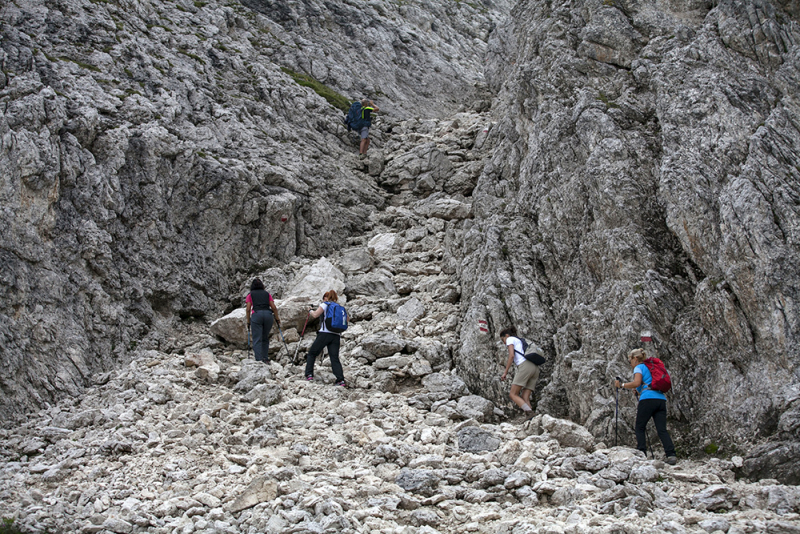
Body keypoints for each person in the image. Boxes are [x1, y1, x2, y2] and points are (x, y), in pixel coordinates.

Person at [615, 348, 677, 465]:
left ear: (635, 358)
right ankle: (671, 455)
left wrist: (621, 385)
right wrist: (637, 391)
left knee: (640, 427)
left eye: (630, 359)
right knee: (662, 429)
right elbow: (641, 387)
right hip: (660, 400)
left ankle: (641, 453)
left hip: (647, 400)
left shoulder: (639, 367)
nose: (630, 363)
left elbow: (637, 383)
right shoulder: (651, 367)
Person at [304, 290, 347, 386]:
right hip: (336, 335)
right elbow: (346, 320)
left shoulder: (325, 304)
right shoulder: (340, 307)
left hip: (325, 333)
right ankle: (340, 380)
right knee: (334, 358)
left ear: (325, 298)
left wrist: (310, 310)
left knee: (312, 353)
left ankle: (309, 374)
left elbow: (315, 315)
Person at [499, 327, 540, 419]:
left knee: (513, 394)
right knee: (525, 396)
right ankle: (531, 420)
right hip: (534, 367)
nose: (504, 343)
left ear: (506, 335)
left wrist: (505, 372)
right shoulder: (520, 341)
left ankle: (529, 412)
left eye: (503, 340)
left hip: (524, 366)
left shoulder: (510, 339)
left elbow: (511, 355)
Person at [245, 278, 281, 363]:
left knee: (257, 338)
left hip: (257, 315)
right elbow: (274, 307)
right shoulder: (267, 294)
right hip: (268, 315)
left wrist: (248, 321)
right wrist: (277, 318)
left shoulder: (250, 295)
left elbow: (248, 309)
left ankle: (259, 359)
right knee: (265, 337)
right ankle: (265, 358)